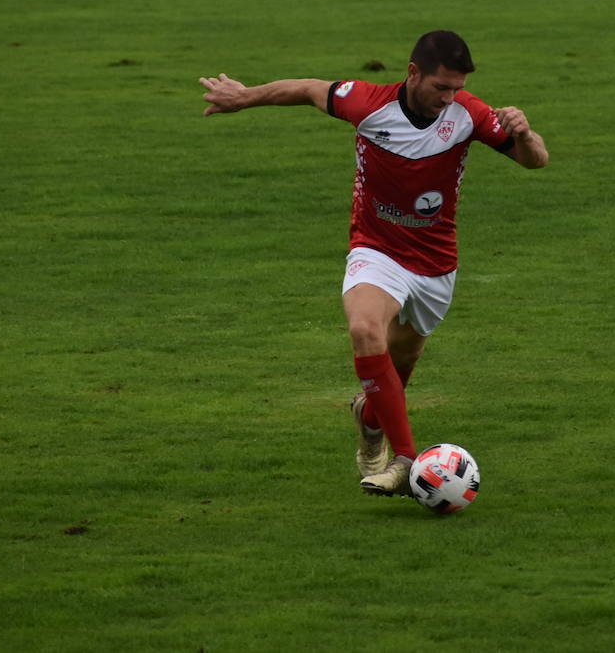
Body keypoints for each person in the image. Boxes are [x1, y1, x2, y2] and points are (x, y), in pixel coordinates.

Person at [199, 31, 549, 497]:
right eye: (441, 87)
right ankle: (408, 461)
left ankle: (368, 418)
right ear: (412, 73)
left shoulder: (468, 114)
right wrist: (245, 97)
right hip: (376, 250)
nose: (449, 98)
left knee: (392, 381)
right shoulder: (368, 104)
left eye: (456, 88)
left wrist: (524, 134)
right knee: (366, 331)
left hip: (434, 265)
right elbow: (307, 89)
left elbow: (536, 162)